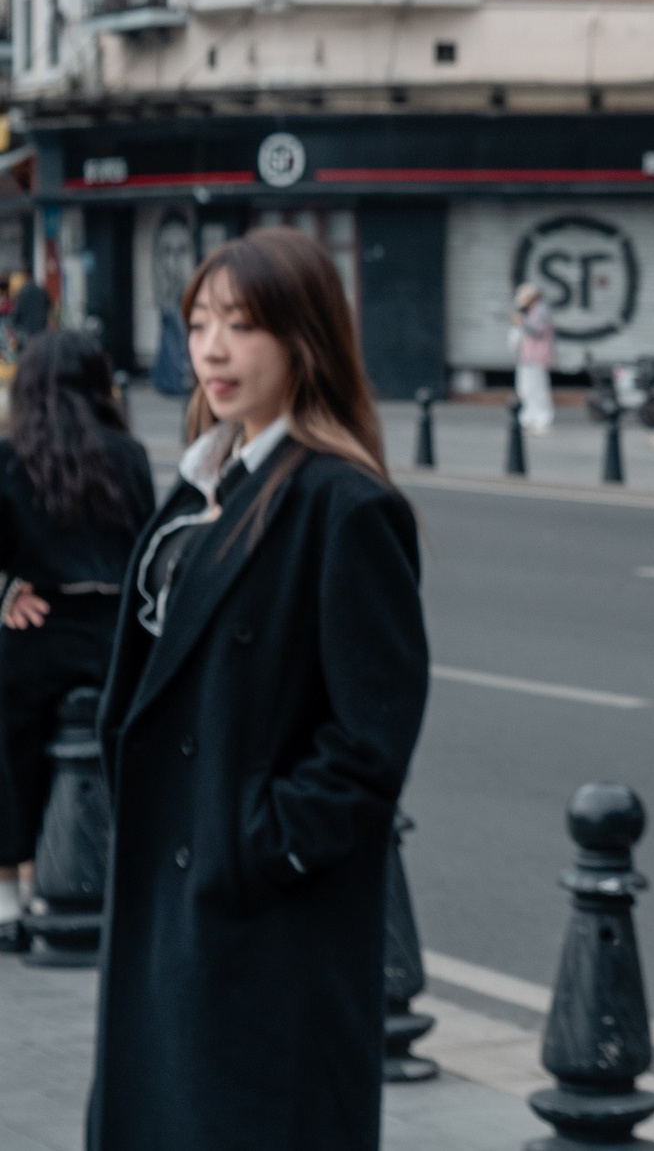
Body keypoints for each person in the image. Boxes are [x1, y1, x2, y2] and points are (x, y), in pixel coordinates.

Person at [91, 227, 430, 1151]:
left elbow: (370, 739)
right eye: (200, 322)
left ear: (303, 339)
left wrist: (255, 847)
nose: (212, 349)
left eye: (241, 325)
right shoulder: (202, 483)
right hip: (170, 900)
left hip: (262, 925)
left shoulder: (344, 505)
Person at [0, 331, 157, 931]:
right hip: (115, 634)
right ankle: (105, 870)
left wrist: (8, 592)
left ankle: (10, 891)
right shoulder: (128, 454)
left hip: (39, 629)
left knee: (9, 750)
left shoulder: (11, 455)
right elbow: (149, 547)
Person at [511, 282, 556, 434]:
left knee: (537, 389)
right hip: (527, 356)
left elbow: (538, 331)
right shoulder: (531, 311)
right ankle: (528, 418)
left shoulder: (541, 310)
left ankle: (542, 420)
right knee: (526, 389)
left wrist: (522, 322)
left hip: (537, 356)